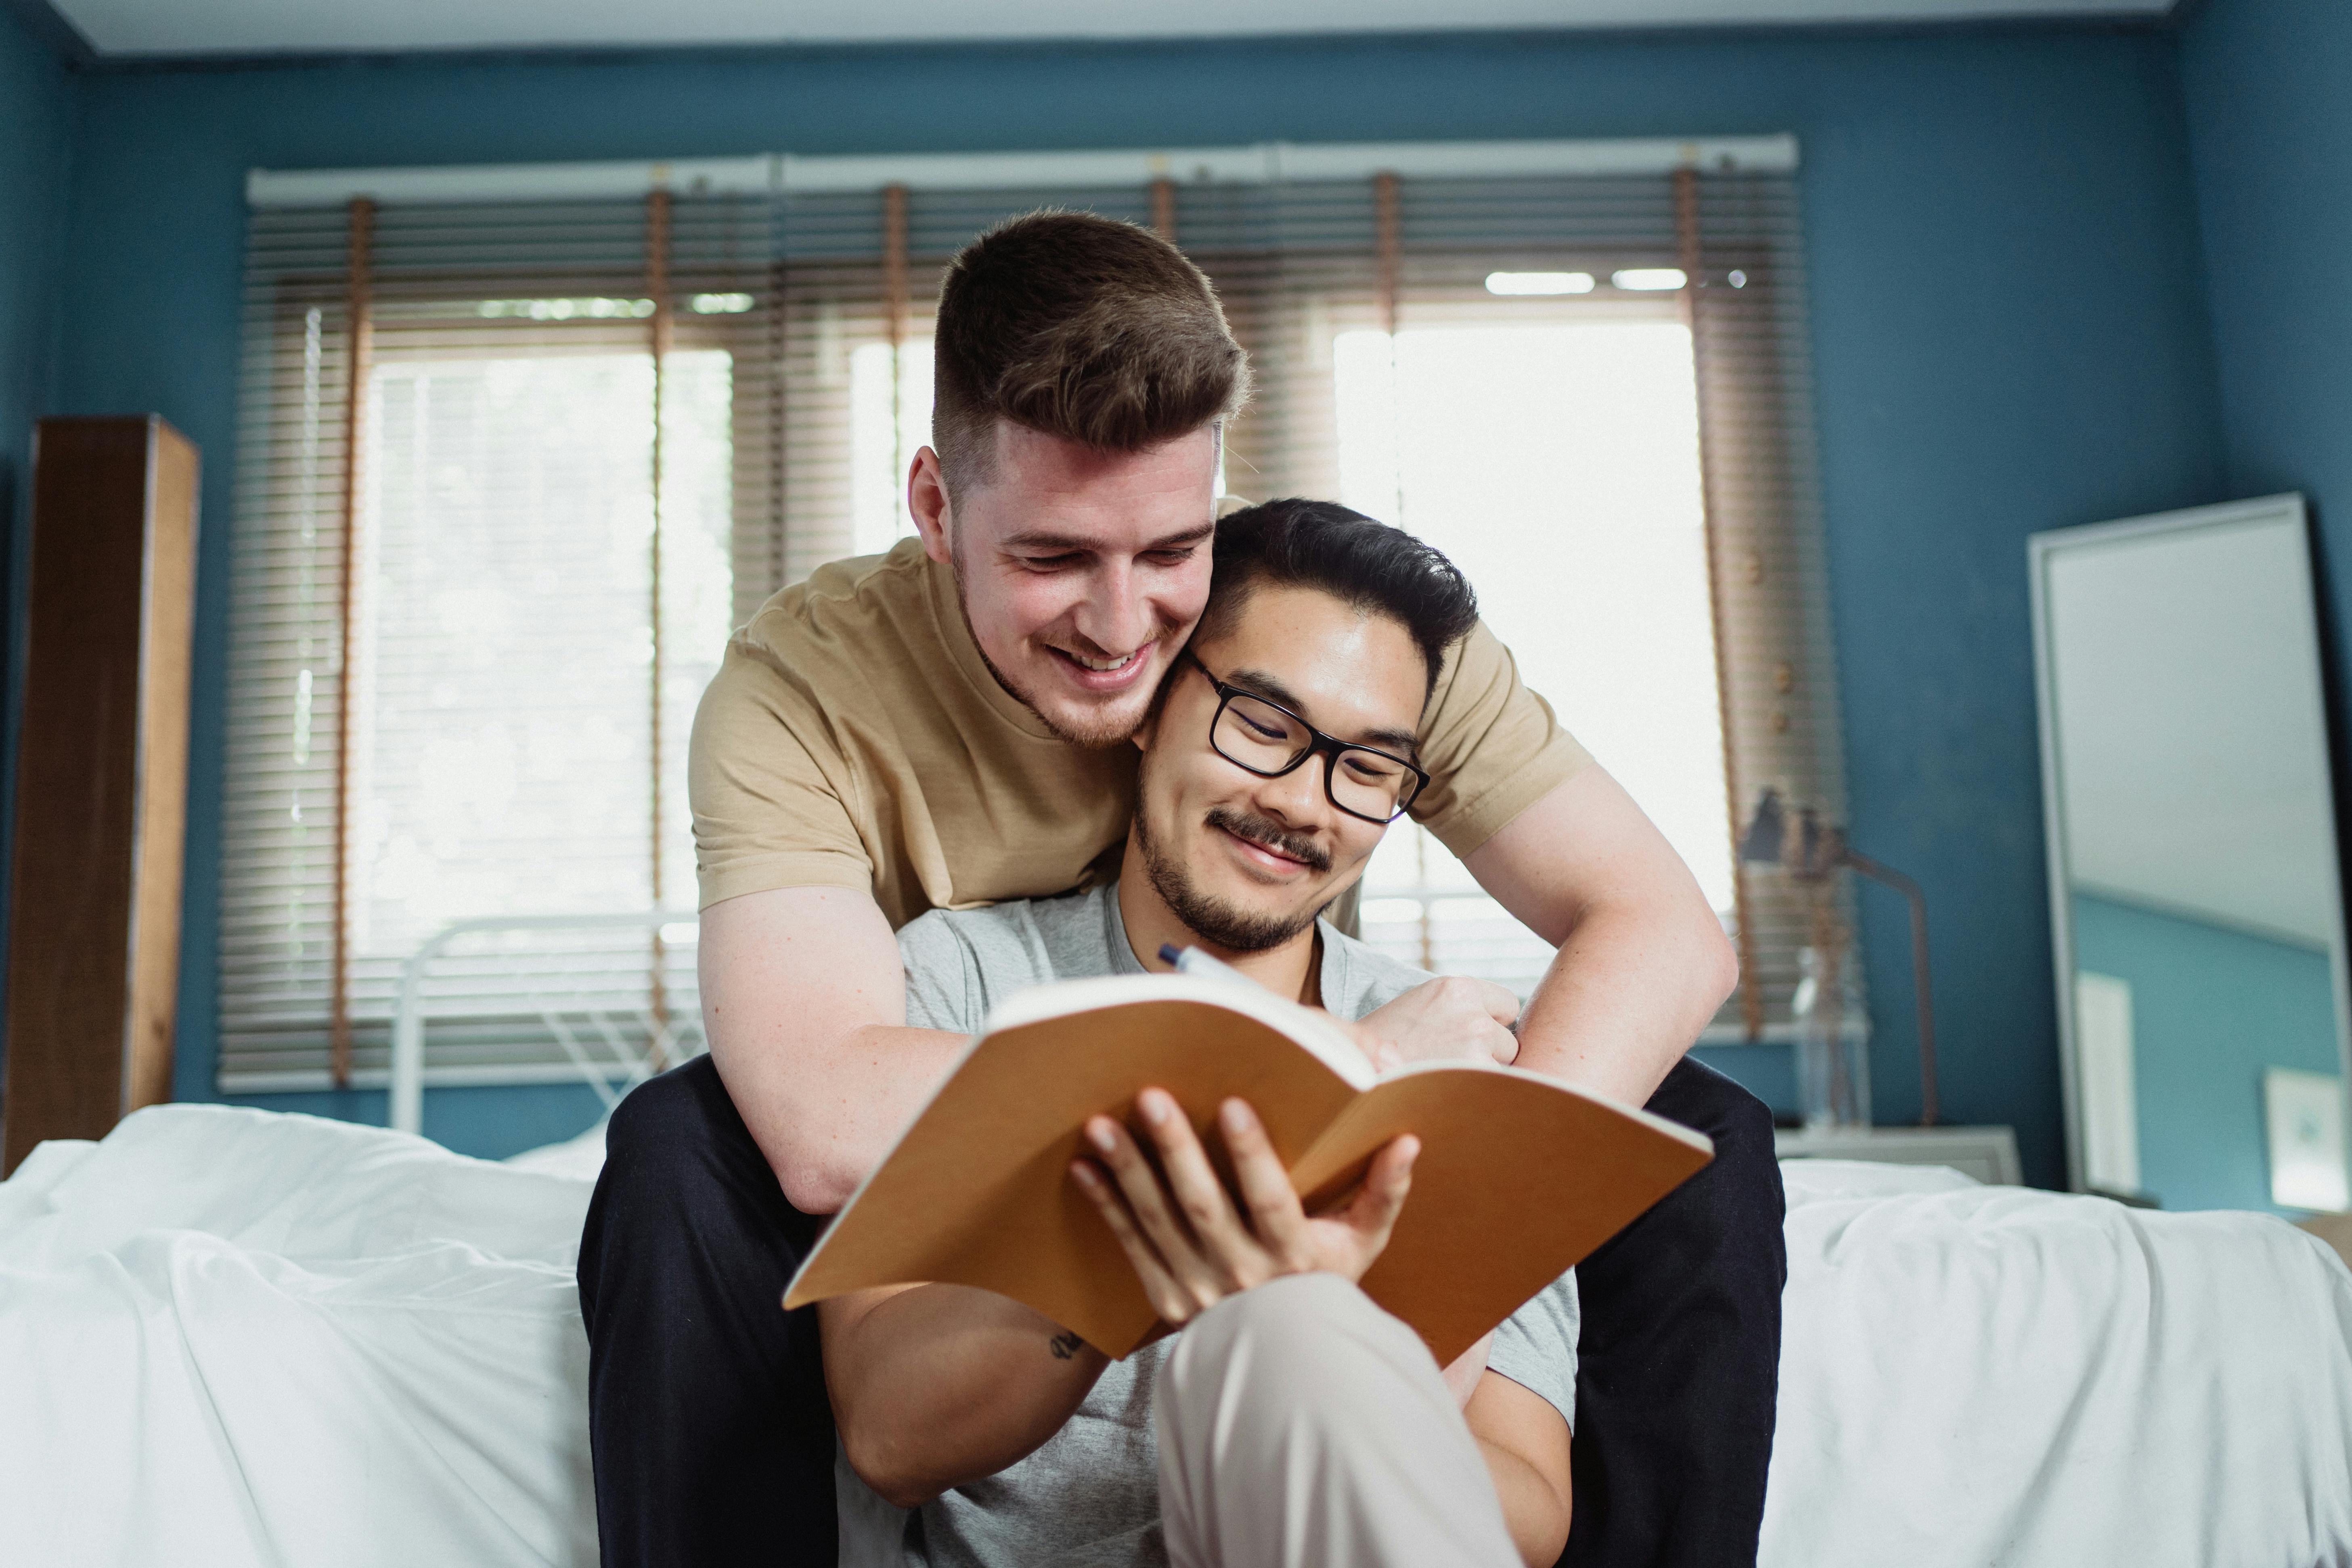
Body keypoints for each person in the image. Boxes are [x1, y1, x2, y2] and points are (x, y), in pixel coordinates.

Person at [578, 212, 1783, 1568]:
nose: (1117, 627)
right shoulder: (804, 694)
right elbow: (813, 1112)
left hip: (1276, 1214)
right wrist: (1319, 1076)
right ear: (934, 507)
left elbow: (1661, 931)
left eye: (1168, 554)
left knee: (1703, 1143)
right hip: (950, 1065)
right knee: (679, 1153)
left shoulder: (1307, 626)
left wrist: (1426, 1236)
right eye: (1049, 560)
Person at [825, 500, 1576, 1568]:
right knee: (1278, 1315)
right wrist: (1172, 1236)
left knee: (1293, 1327)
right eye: (1263, 727)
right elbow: (888, 1432)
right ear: (1145, 702)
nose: (1304, 803)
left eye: (1367, 770)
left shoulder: (1462, 1056)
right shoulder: (960, 979)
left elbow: (1531, 1512)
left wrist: (1360, 1371)